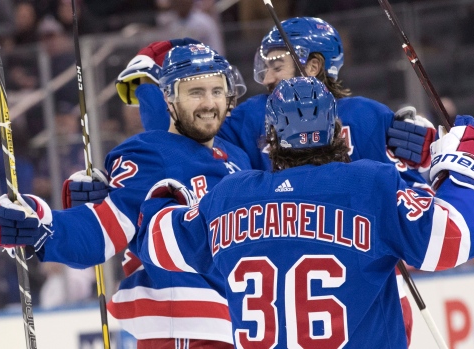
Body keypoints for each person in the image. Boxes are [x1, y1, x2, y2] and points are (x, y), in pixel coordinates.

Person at [116, 19, 436, 344]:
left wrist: (422, 151)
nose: (267, 78)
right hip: (292, 270)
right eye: (264, 66)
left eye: (276, 65)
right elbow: (187, 131)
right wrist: (164, 69)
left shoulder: (369, 116)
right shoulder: (259, 113)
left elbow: (413, 193)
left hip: (358, 279)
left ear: (313, 65)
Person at [136, 77, 474, 348]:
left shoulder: (228, 197)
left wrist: (168, 192)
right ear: (338, 132)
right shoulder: (369, 186)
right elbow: (453, 236)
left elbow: (158, 243)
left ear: (271, 139)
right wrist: (462, 166)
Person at [0, 44, 251, 348]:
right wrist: (40, 226)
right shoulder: (150, 152)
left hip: (241, 327)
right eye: (196, 92)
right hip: (186, 329)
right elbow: (106, 227)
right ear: (168, 97)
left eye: (217, 91)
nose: (209, 102)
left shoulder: (237, 158)